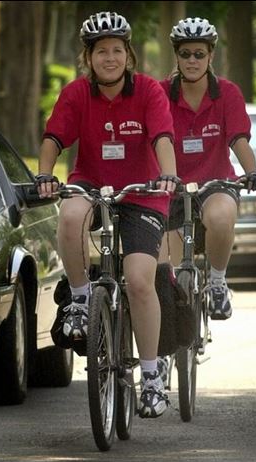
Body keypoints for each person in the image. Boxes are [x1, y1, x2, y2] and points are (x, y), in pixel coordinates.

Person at [35, 11, 178, 418]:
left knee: (137, 281)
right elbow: (52, 139)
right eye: (101, 51)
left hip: (144, 194)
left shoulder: (149, 91)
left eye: (117, 50)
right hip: (91, 185)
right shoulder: (77, 94)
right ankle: (81, 298)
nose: (110, 58)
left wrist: (167, 175)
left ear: (128, 55)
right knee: (69, 215)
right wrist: (46, 175)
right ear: (89, 57)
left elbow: (164, 137)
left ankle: (151, 376)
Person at [159, 17, 256, 320]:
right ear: (176, 56)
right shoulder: (161, 93)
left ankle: (217, 283)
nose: (192, 60)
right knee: (165, 276)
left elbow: (239, 138)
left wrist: (251, 171)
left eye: (199, 54)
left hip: (215, 184)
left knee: (220, 216)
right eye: (185, 54)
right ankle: (166, 354)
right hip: (172, 188)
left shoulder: (227, 92)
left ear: (211, 56)